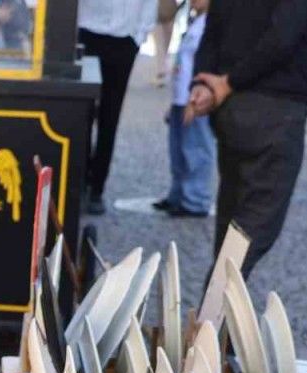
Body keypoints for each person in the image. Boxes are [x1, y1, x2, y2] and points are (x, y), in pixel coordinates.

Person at [187, 0, 307, 277]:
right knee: (253, 223)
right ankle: (215, 300)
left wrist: (206, 83)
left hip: (237, 108)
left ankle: (217, 299)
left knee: (235, 224)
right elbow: (283, 36)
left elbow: (212, 27)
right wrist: (224, 83)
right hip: (273, 108)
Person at [78, 0, 158, 215]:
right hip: (88, 32)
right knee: (82, 112)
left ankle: (97, 187)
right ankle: (80, 178)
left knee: (110, 116)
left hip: (123, 40)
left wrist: (138, 37)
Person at [156, 0, 215, 218]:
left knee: (196, 149)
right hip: (181, 99)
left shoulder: (211, 24)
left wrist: (195, 99)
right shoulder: (195, 21)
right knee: (179, 150)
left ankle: (195, 199)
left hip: (194, 99)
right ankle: (178, 194)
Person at [154, 0, 182, 87]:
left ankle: (162, 69)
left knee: (163, 44)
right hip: (161, 12)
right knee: (161, 44)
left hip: (167, 11)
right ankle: (161, 70)